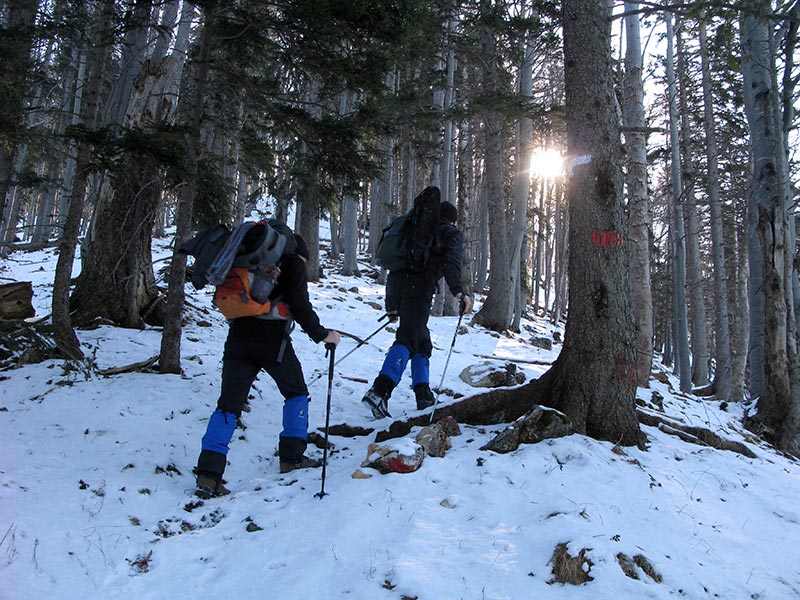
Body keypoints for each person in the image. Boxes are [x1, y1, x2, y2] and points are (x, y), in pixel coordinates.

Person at [195, 230, 341, 498]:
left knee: (228, 406)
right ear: (300, 254)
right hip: (272, 341)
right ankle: (292, 457)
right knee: (296, 392)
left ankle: (208, 475)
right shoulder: (292, 263)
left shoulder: (246, 260)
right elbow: (300, 306)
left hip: (238, 338)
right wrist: (323, 335)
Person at [361, 196, 472, 419]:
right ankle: (379, 391)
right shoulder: (450, 233)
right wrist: (459, 292)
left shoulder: (415, 232)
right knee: (408, 337)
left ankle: (423, 395)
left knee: (422, 341)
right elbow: (452, 261)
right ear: (453, 221)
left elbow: (397, 269)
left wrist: (392, 306)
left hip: (400, 285)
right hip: (420, 287)